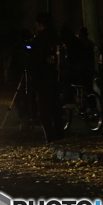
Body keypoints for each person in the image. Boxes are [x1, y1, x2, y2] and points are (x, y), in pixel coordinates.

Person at [28, 12, 64, 143]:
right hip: (56, 76)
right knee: (55, 106)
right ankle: (59, 133)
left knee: (44, 107)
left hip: (43, 78)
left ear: (40, 24)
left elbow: (34, 61)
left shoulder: (39, 40)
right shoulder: (56, 37)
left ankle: (50, 135)